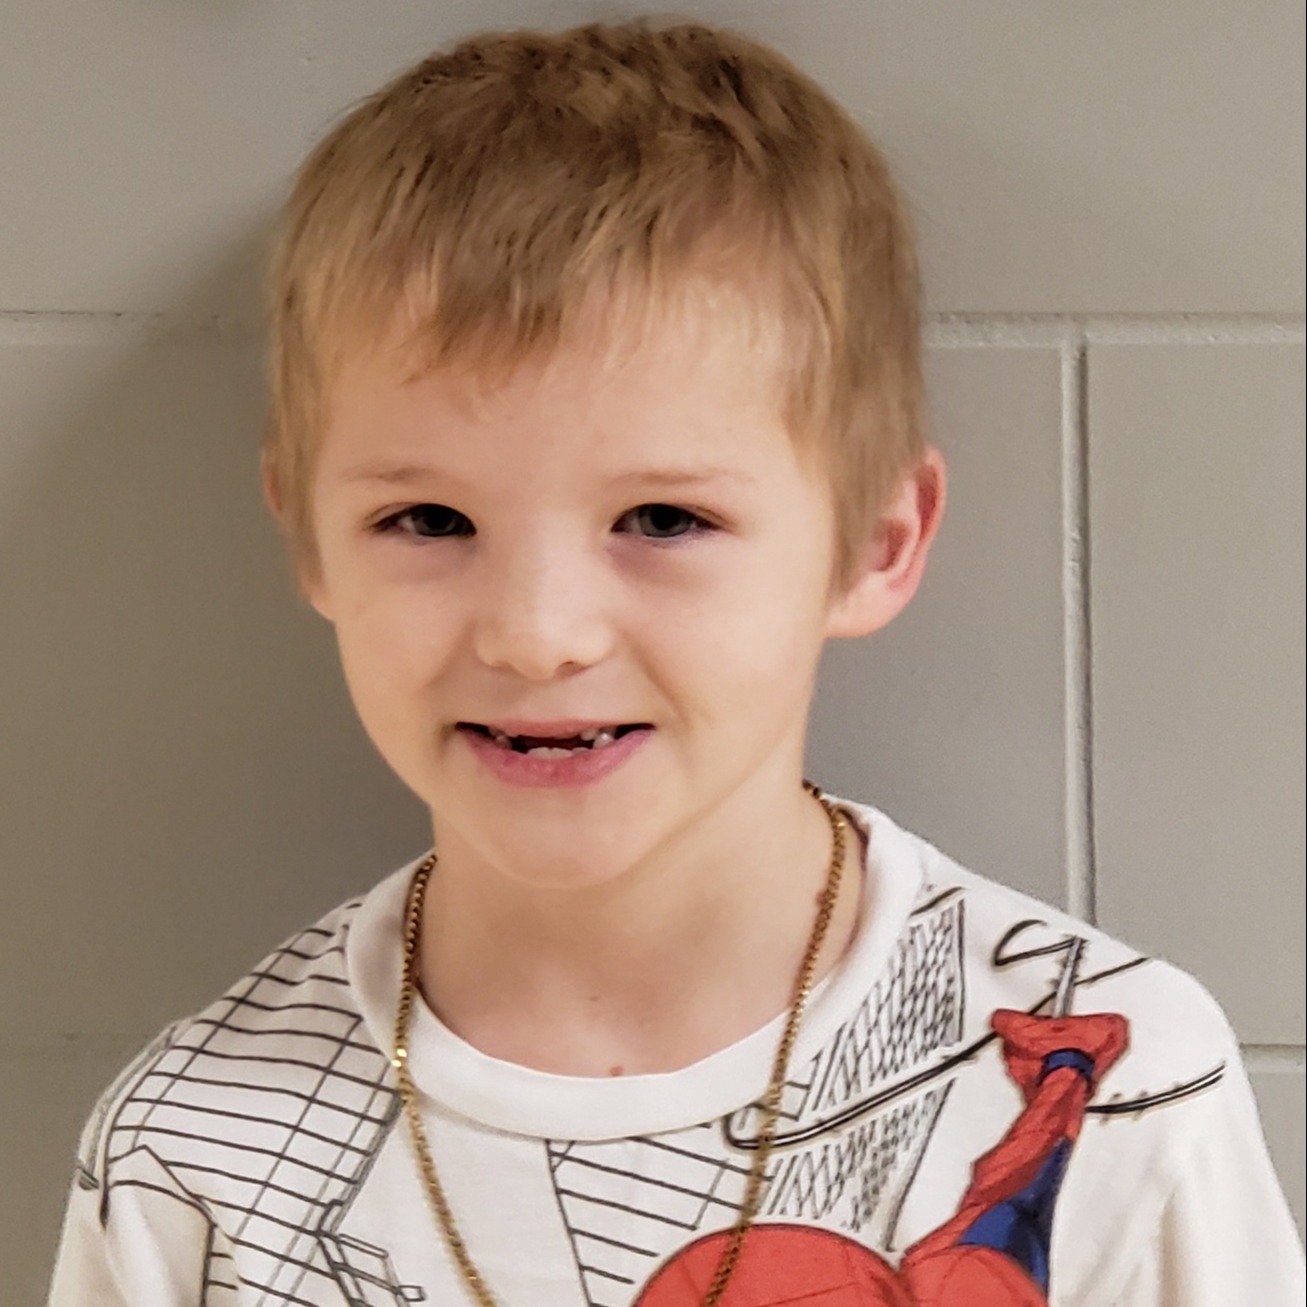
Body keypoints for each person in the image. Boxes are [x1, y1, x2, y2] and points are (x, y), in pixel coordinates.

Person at [47, 18, 1302, 1307]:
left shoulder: (1125, 1091)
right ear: (309, 539)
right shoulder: (188, 1158)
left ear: (875, 543)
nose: (537, 635)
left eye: (662, 521)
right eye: (428, 522)